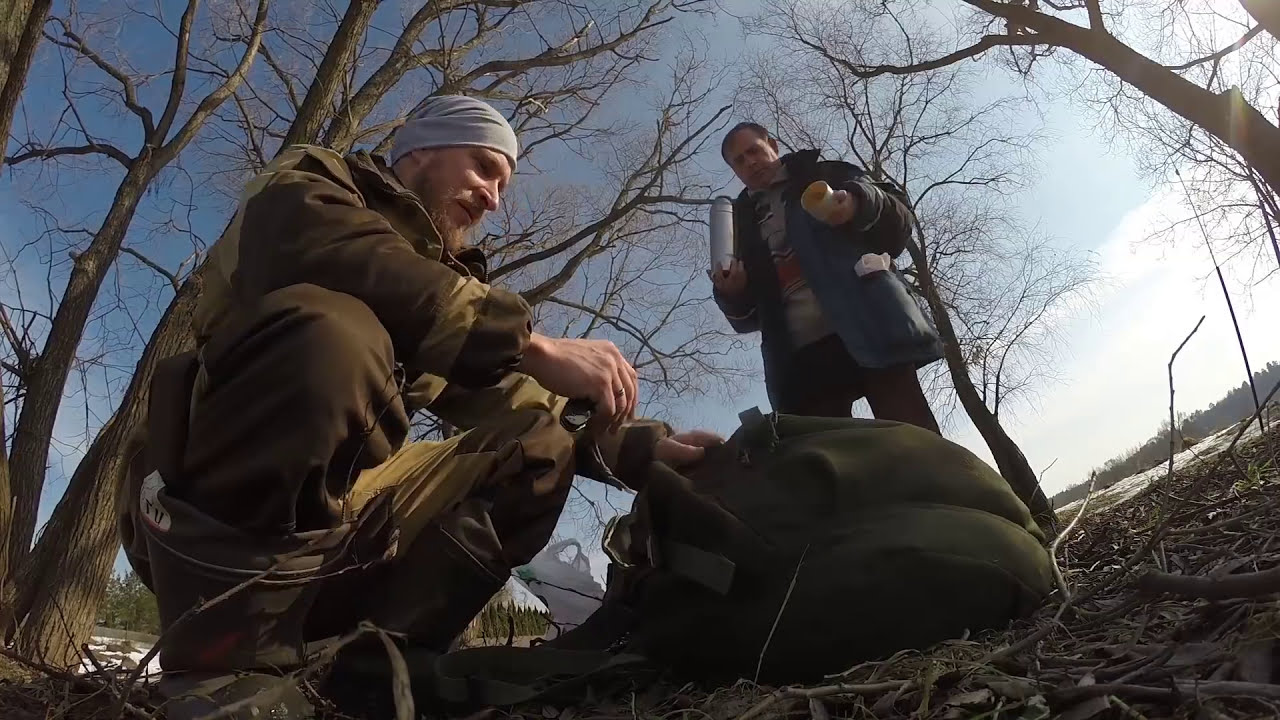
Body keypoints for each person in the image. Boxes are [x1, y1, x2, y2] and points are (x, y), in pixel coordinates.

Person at [117, 95, 721, 719]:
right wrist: (526, 338)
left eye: (502, 185)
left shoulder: (446, 296)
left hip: (339, 527)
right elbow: (317, 248)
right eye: (484, 167)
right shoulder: (313, 181)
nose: (493, 198)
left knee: (535, 441)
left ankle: (377, 667)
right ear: (422, 148)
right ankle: (226, 665)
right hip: (188, 509)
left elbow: (524, 396)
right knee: (335, 333)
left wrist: (649, 450)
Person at [711, 122, 944, 432]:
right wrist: (733, 293)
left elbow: (898, 222)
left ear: (774, 146)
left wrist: (857, 204)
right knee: (831, 464)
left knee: (916, 440)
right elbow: (746, 319)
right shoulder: (738, 224)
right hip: (800, 360)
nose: (749, 162)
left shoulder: (824, 174)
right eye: (739, 160)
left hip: (871, 321)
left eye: (753, 150)